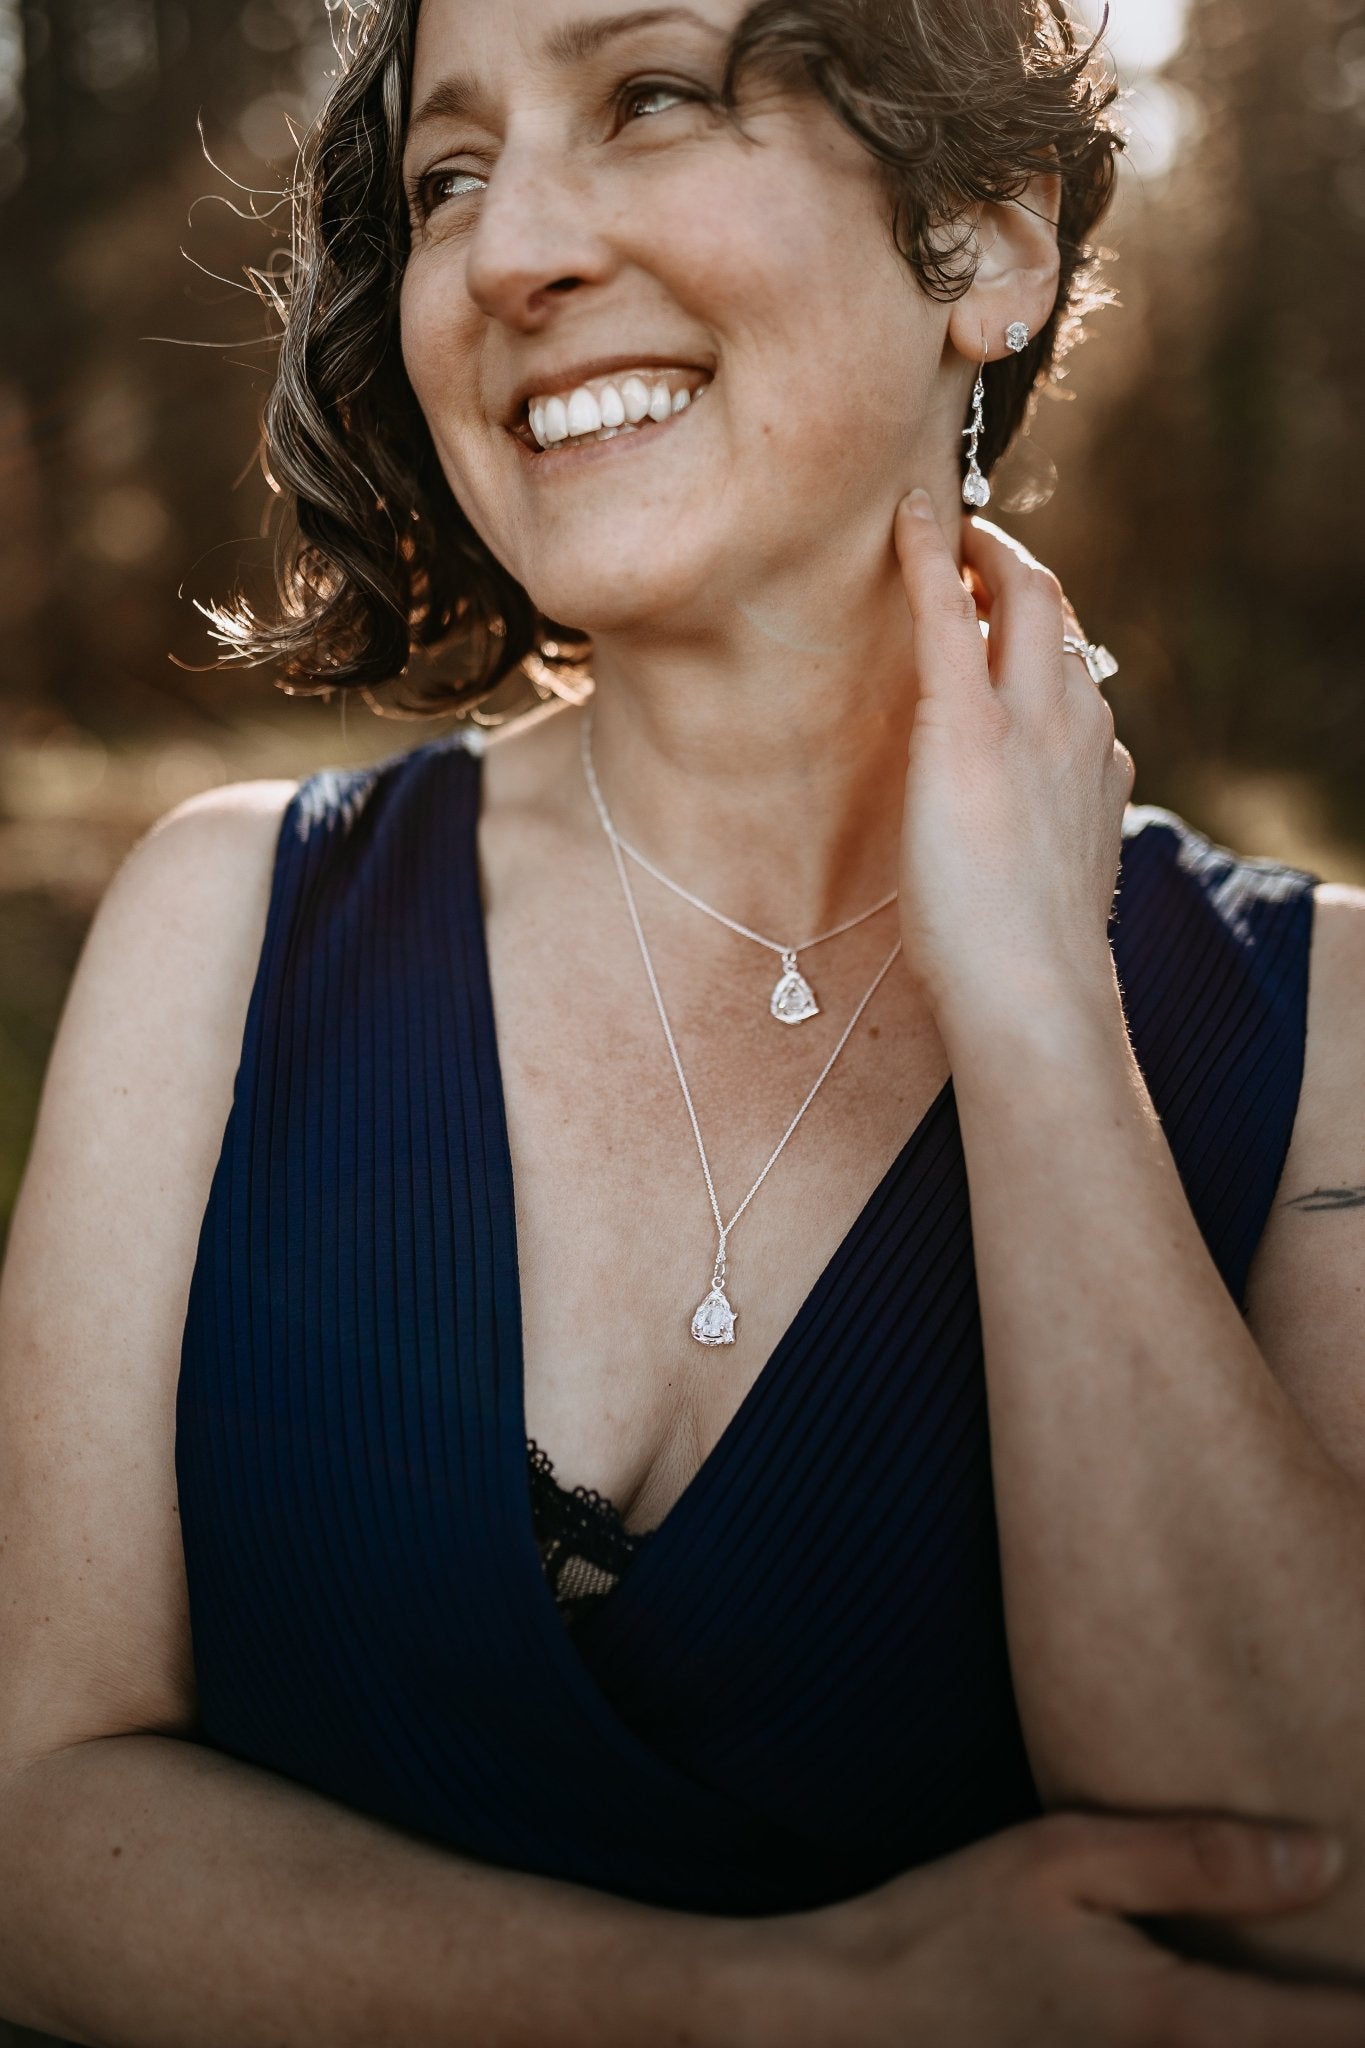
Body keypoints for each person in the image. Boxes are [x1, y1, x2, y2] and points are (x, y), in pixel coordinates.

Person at [2, 0, 1365, 2041]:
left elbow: (1299, 1892)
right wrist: (771, 2002)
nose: (505, 252)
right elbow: (30, 1824)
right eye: (445, 177)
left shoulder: (1322, 1017)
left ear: (984, 238)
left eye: (649, 96)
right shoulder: (229, 924)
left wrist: (1032, 1012)